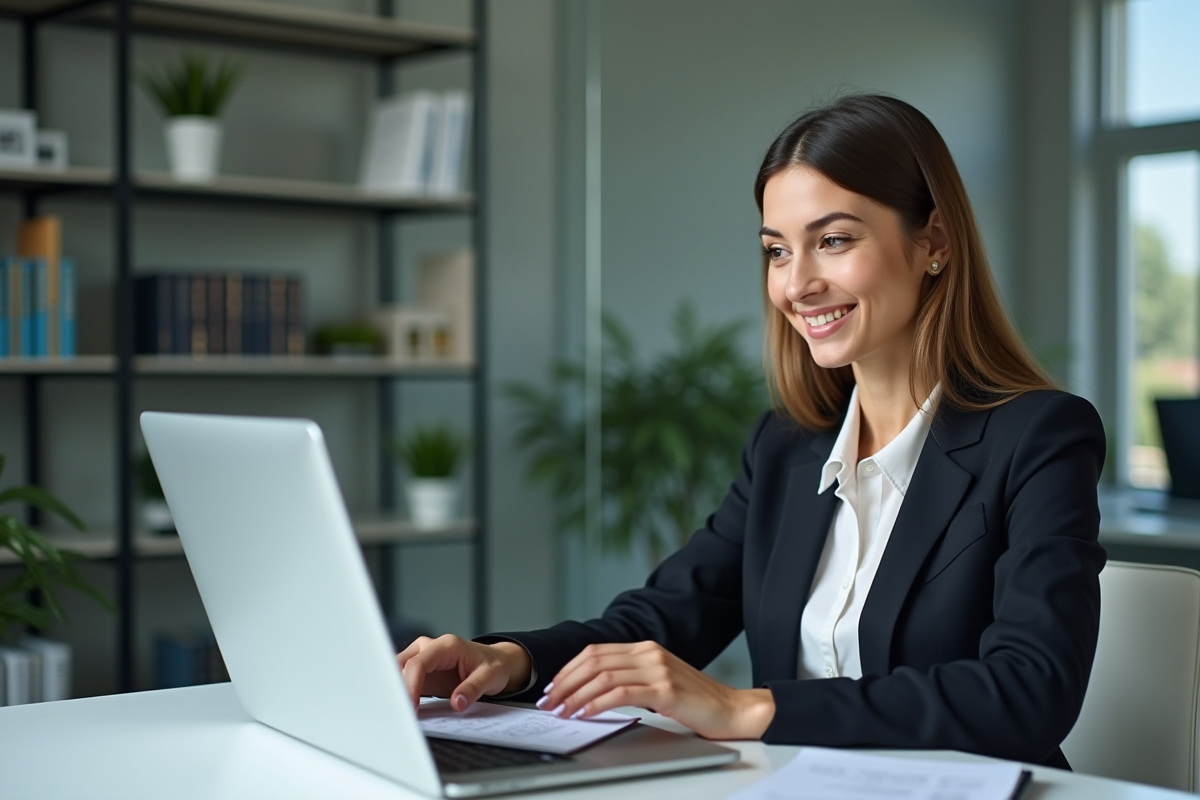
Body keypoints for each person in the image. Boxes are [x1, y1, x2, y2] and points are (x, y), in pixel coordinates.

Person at [397, 94, 1106, 770]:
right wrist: (507, 660)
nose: (797, 284)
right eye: (776, 250)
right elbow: (663, 619)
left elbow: (1030, 691)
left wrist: (747, 709)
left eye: (832, 240)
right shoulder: (787, 447)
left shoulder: (1039, 438)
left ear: (934, 242)